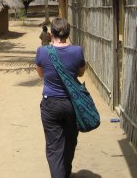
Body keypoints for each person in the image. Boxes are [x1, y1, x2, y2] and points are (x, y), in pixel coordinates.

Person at [34, 18, 85, 178]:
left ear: (50, 34)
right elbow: (81, 73)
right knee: (70, 142)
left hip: (50, 104)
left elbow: (41, 74)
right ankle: (66, 172)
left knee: (54, 147)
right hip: (72, 104)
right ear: (68, 34)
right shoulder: (77, 51)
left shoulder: (42, 52)